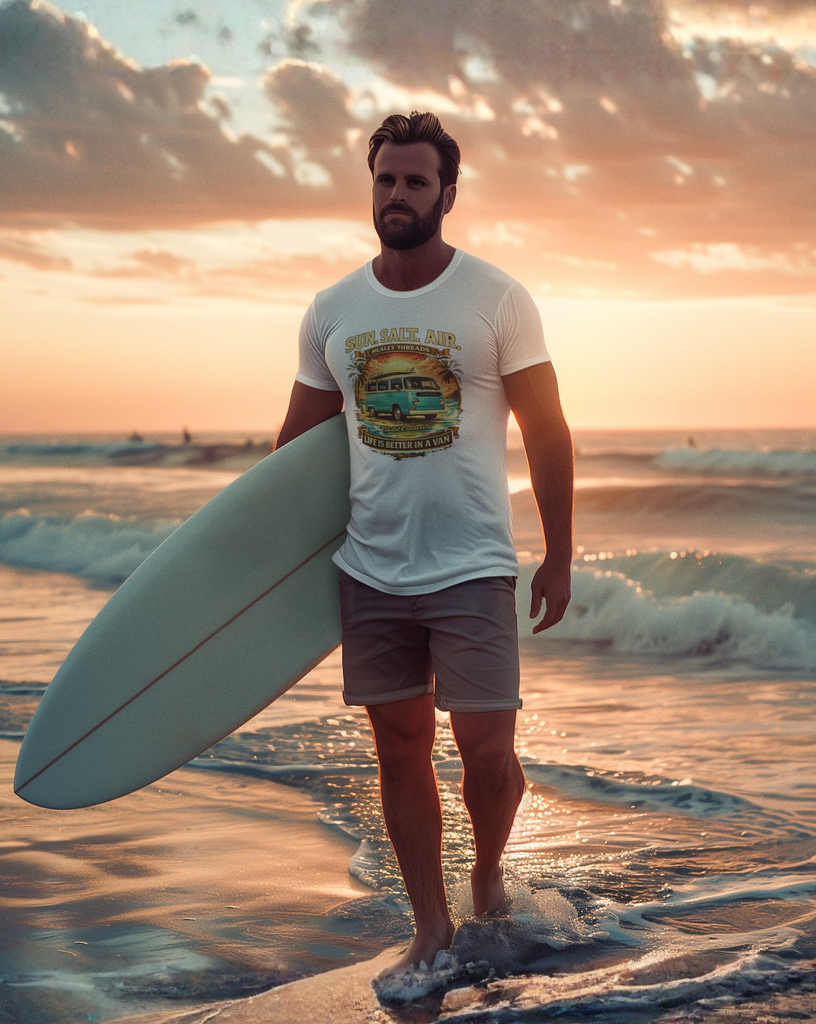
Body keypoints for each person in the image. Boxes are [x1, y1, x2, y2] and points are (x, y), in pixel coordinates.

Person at [274, 111, 573, 979]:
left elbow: (549, 432)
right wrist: (264, 569)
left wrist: (557, 552)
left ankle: (485, 872)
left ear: (448, 192)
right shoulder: (334, 310)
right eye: (385, 180)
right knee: (398, 749)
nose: (397, 194)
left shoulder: (497, 298)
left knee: (487, 752)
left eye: (414, 181)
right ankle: (430, 924)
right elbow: (294, 449)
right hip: (370, 568)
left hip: (473, 564)